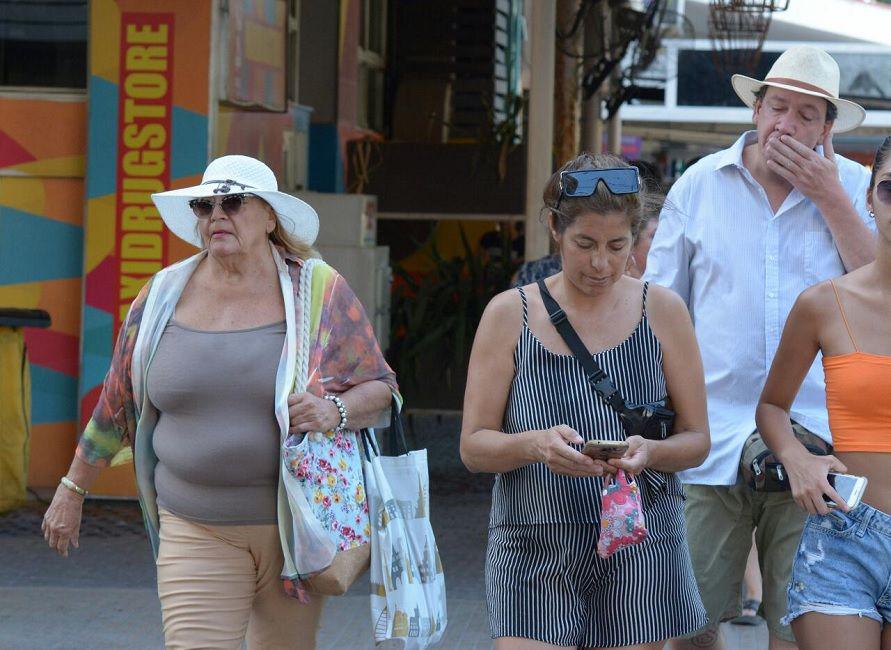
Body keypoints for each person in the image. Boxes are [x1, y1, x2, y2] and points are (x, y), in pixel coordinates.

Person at [40, 155, 399, 649]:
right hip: (194, 525)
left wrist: (331, 412)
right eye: (204, 206)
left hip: (296, 529)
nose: (216, 216)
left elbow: (382, 388)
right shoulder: (162, 295)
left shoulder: (318, 290)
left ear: (270, 217)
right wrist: (72, 489)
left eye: (232, 202)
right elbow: (117, 401)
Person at [644, 46, 875, 650]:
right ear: (756, 110)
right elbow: (659, 312)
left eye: (806, 115)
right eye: (778, 108)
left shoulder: (857, 188)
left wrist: (830, 197)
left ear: (828, 129)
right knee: (689, 625)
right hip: (708, 438)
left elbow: (883, 295)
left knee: (797, 630)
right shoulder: (699, 184)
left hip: (821, 449)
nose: (788, 126)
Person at [461, 152, 710, 649]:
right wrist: (535, 446)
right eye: (585, 244)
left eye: (619, 245)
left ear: (639, 236)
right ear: (555, 229)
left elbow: (698, 439)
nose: (601, 263)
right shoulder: (509, 314)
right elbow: (472, 447)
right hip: (533, 542)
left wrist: (650, 452)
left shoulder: (662, 310)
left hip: (640, 543)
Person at [756, 137, 891, 650]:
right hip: (845, 537)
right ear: (869, 198)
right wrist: (798, 459)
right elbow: (772, 406)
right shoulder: (823, 304)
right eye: (890, 189)